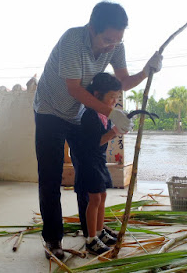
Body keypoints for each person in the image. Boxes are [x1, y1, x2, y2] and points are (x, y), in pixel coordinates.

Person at [33, 0, 163, 260]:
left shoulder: (116, 46)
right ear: (92, 28)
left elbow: (123, 82)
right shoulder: (72, 40)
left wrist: (147, 70)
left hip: (79, 113)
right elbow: (74, 88)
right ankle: (53, 239)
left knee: (88, 172)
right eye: (107, 39)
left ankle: (91, 231)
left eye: (117, 39)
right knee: (50, 177)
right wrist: (109, 111)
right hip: (50, 111)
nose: (112, 45)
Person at [76, 73, 124, 255]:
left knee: (102, 196)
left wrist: (117, 129)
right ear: (97, 95)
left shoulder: (105, 115)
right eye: (111, 97)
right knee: (94, 198)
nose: (114, 102)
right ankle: (90, 239)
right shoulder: (89, 115)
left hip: (99, 160)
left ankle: (99, 231)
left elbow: (104, 140)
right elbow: (96, 141)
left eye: (116, 98)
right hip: (88, 161)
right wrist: (115, 131)